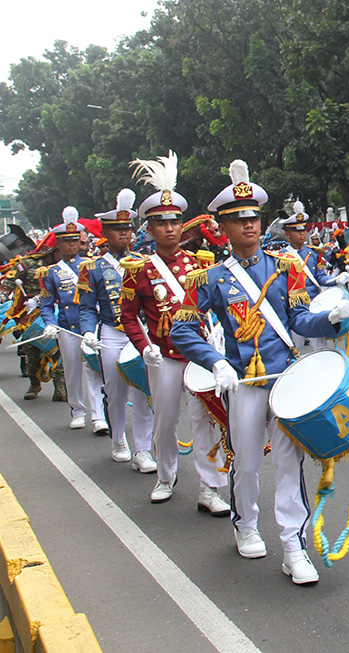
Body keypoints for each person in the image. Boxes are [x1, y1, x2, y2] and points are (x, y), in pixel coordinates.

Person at [171, 159, 349, 585]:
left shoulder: (283, 267)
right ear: (224, 228)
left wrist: (332, 319)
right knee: (248, 463)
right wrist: (214, 361)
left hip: (284, 379)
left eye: (253, 217)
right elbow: (182, 328)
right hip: (244, 382)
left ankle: (294, 546)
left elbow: (299, 320)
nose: (248, 226)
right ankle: (246, 525)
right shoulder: (209, 278)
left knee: (291, 465)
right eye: (238, 220)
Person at [121, 152, 230, 510]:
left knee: (206, 421)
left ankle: (209, 489)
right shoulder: (137, 269)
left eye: (175, 222)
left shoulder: (202, 264)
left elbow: (217, 307)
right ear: (149, 229)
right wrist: (143, 347)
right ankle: (165, 477)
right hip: (164, 356)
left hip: (198, 354)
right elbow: (128, 315)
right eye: (161, 223)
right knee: (165, 420)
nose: (169, 228)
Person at [78, 189, 156, 469]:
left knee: (143, 390)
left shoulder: (143, 262)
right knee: (115, 391)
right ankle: (118, 439)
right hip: (111, 332)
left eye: (127, 229)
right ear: (106, 234)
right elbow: (86, 307)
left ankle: (143, 450)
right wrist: (88, 331)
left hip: (140, 333)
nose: (124, 234)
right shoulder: (93, 267)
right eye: (118, 230)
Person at [39, 206, 106, 432]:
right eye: (66, 241)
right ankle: (77, 410)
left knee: (95, 370)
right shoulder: (50, 273)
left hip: (92, 325)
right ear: (58, 244)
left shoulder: (92, 266)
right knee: (72, 372)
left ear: (81, 243)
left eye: (75, 241)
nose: (71, 245)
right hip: (68, 328)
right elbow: (47, 304)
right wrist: (50, 323)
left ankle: (98, 416)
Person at [281, 200, 349, 353]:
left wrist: (335, 280)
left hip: (314, 305)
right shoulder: (281, 257)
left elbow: (320, 278)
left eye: (303, 230)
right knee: (293, 350)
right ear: (287, 234)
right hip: (293, 309)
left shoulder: (313, 254)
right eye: (296, 231)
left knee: (320, 349)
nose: (301, 234)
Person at [8, 247, 66, 401]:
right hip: (30, 315)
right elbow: (10, 278)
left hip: (56, 312)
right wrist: (3, 292)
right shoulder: (28, 263)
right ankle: (34, 384)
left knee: (57, 350)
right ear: (52, 251)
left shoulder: (65, 266)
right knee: (32, 352)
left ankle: (60, 387)